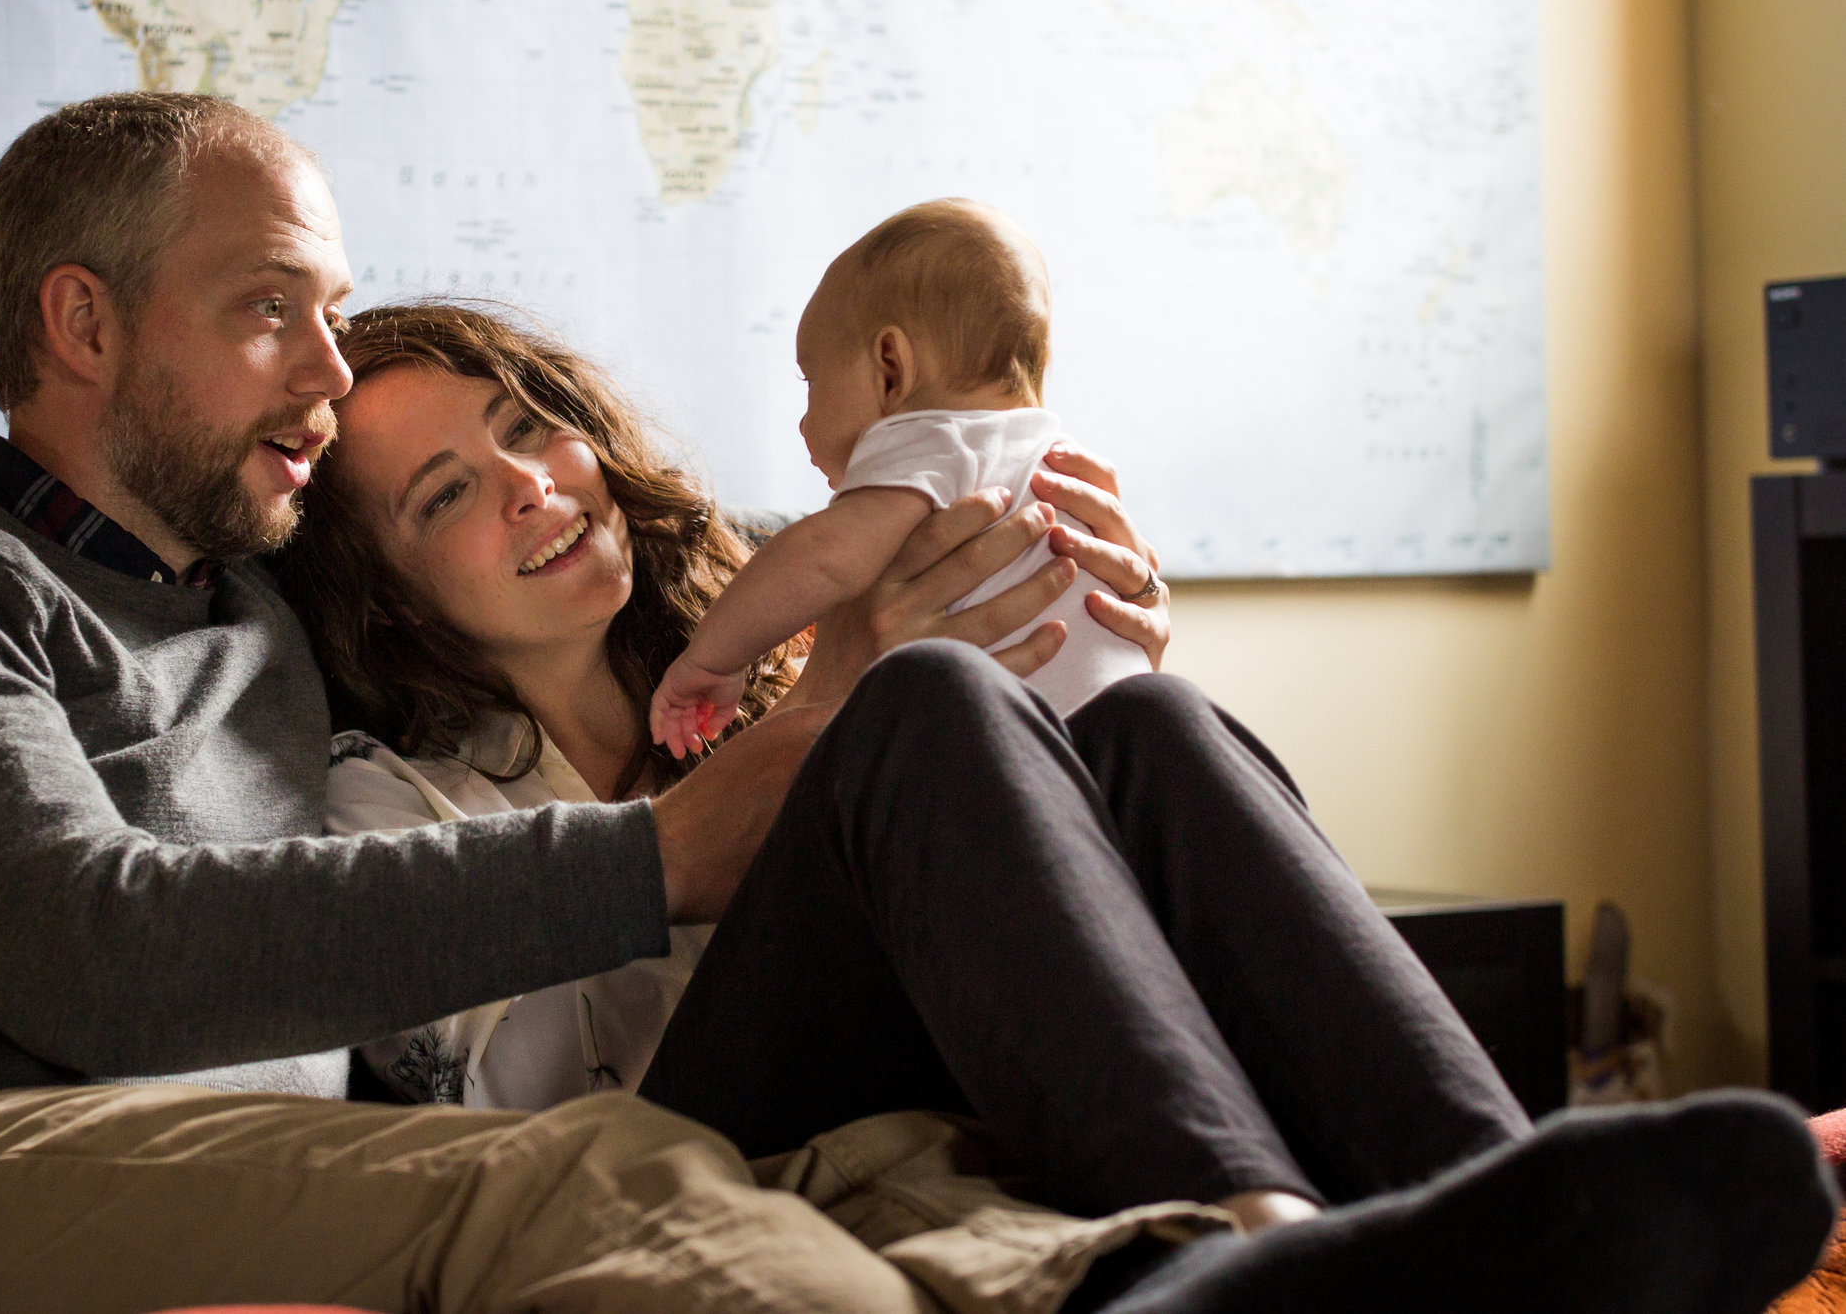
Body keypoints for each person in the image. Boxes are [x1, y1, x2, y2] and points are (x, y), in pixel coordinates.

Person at [0, 90, 1831, 1314]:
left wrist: (1046, 637)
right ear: (77, 317)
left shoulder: (247, 616)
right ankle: (1287, 1258)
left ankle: (1362, 1245)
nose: (326, 387)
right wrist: (672, 839)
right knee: (587, 1175)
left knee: (934, 1091)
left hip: (247, 1128)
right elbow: (100, 949)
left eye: (347, 332)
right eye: (273, 317)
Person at [284, 296, 1836, 1311]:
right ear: (388, 598)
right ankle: (1242, 1247)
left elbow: (1031, 909)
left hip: (922, 1068)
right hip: (673, 1153)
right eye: (445, 495)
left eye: (526, 426)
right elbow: (497, 1134)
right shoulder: (386, 798)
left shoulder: (755, 630)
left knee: (1154, 719)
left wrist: (1086, 665)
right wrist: (829, 729)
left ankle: (1516, 1200)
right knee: (929, 700)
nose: (533, 484)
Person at [650, 196, 1147, 758]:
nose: (803, 421)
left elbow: (823, 556)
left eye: (811, 382)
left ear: (890, 369)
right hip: (1120, 738)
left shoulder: (936, 441)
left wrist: (710, 660)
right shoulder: (1055, 456)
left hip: (1013, 753)